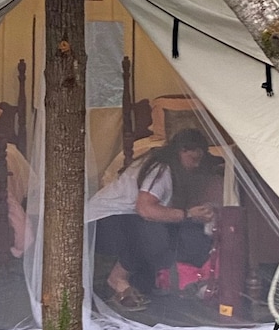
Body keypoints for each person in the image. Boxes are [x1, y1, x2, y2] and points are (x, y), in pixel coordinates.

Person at [89, 127, 218, 308]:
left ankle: (183, 279)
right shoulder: (161, 168)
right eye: (194, 159)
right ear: (182, 150)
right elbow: (145, 209)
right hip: (101, 224)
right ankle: (117, 279)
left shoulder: (167, 167)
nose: (196, 165)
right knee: (154, 232)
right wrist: (188, 214)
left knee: (175, 229)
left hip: (120, 223)